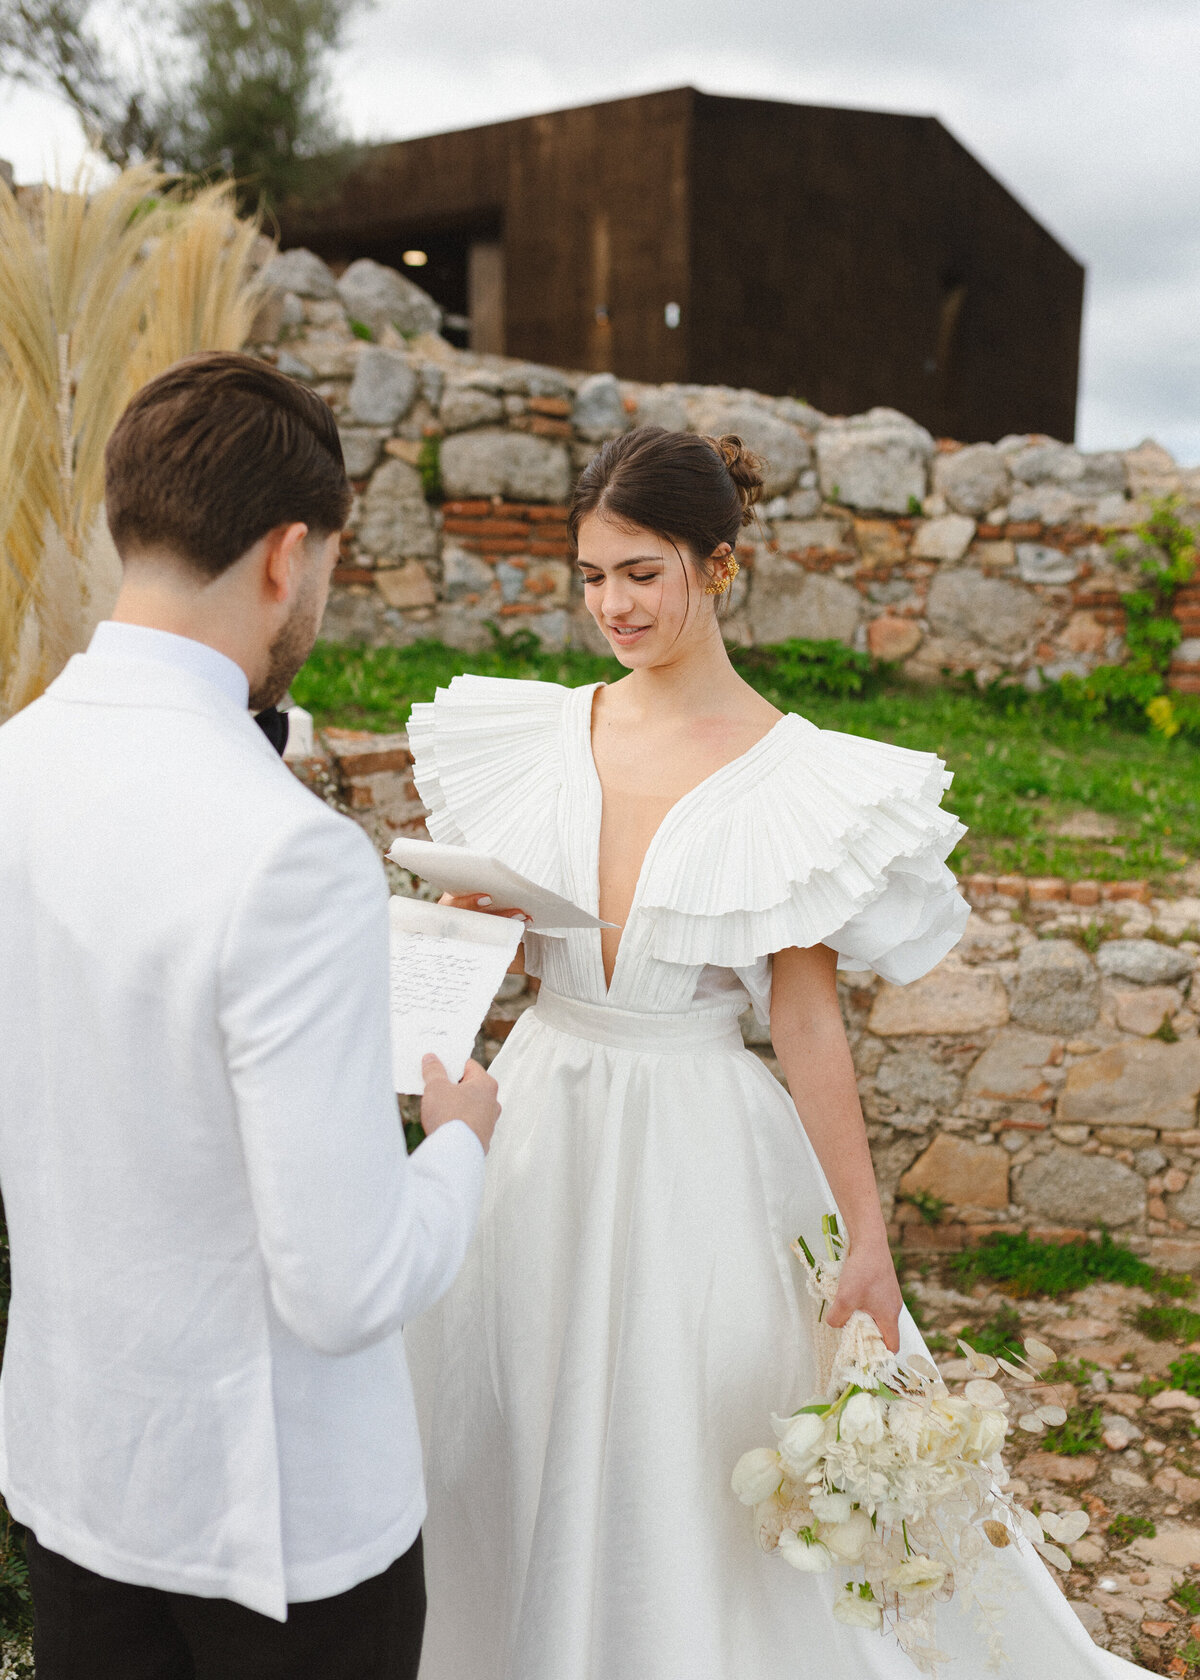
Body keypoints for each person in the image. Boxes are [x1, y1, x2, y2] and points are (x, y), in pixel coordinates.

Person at [404, 426, 1146, 1677]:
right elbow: (509, 953)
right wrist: (474, 933)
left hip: (693, 1138)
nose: (613, 605)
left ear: (720, 565)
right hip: (538, 1118)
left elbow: (804, 1021)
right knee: (508, 1411)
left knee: (675, 1442)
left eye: (642, 572)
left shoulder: (790, 777)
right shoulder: (539, 736)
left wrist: (865, 1235)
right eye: (591, 577)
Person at [0, 352, 499, 1680]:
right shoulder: (290, 859)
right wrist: (459, 1143)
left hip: (80, 1479)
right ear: (289, 557)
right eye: (328, 569)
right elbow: (344, 1289)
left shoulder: (17, 767)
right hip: (280, 1540)